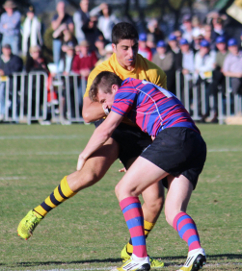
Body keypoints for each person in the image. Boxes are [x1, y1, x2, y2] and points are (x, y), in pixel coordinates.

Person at [17, 22, 167, 268]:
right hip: (112, 128)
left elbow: (160, 113)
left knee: (155, 199)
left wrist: (151, 151)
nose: (131, 53)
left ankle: (133, 250)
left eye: (135, 47)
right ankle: (37, 213)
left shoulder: (154, 72)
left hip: (140, 135)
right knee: (90, 174)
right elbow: (87, 113)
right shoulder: (102, 70)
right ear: (114, 47)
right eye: (125, 48)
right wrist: (116, 105)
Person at [77, 71, 207, 271]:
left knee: (124, 189)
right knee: (174, 212)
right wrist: (144, 163)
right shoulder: (150, 91)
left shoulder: (127, 88)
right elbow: (161, 134)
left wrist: (84, 155)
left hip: (174, 136)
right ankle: (195, 250)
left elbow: (106, 128)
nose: (107, 107)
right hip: (195, 143)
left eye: (105, 100)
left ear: (114, 88)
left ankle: (138, 257)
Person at [0, 43, 23, 121]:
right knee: (1, 94)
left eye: (8, 49)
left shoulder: (16, 59)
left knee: (14, 99)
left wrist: (4, 72)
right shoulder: (1, 59)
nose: (7, 51)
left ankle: (14, 116)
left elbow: (17, 68)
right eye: (5, 49)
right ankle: (2, 114)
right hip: (1, 83)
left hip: (13, 83)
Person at [51, 1, 74, 67]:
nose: (62, 9)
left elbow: (71, 29)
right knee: (57, 56)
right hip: (57, 40)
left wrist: (65, 29)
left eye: (63, 8)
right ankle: (57, 68)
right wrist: (60, 17)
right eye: (60, 8)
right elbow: (54, 27)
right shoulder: (55, 17)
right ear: (57, 8)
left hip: (67, 39)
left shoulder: (69, 17)